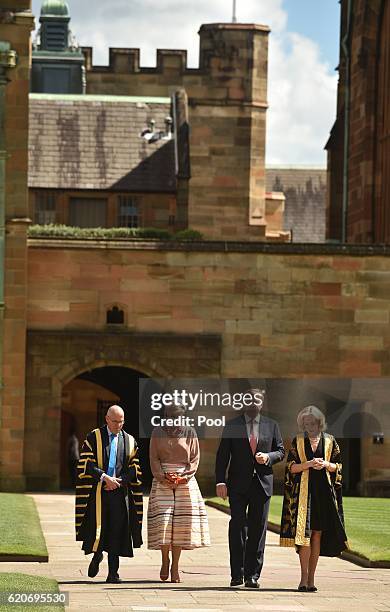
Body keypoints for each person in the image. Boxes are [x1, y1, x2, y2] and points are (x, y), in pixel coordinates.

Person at [215, 388, 285, 588]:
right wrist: (221, 482)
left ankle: (253, 575)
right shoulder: (232, 425)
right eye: (250, 400)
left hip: (262, 485)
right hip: (237, 486)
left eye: (257, 400)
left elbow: (280, 451)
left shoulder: (272, 425)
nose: (253, 403)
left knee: (258, 529)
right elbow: (222, 456)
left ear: (262, 404)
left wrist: (268, 458)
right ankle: (237, 573)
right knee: (237, 526)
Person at [280, 405, 348, 592]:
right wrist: (308, 464)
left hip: (323, 494)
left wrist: (326, 464)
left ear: (320, 423)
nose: (309, 425)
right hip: (304, 494)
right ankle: (302, 580)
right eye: (306, 423)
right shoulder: (298, 441)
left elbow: (339, 467)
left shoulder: (330, 441)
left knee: (317, 534)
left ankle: (312, 580)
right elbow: (290, 468)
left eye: (312, 422)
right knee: (305, 536)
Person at [75, 405, 143, 583]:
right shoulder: (94, 437)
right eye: (115, 421)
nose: (118, 425)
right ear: (106, 419)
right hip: (99, 492)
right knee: (100, 527)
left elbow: (134, 468)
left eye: (121, 421)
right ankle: (97, 555)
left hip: (120, 493)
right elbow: (86, 463)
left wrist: (119, 481)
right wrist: (105, 478)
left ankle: (113, 573)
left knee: (117, 531)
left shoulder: (129, 440)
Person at [147, 404, 210, 583]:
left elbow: (195, 458)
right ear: (166, 414)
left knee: (181, 526)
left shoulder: (190, 432)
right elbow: (153, 457)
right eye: (171, 414)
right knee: (164, 523)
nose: (175, 417)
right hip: (162, 480)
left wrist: (184, 477)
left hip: (185, 481)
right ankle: (164, 560)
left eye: (178, 414)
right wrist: (162, 476)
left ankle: (175, 566)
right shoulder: (157, 432)